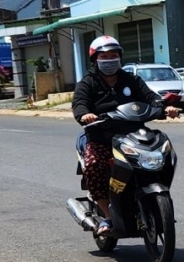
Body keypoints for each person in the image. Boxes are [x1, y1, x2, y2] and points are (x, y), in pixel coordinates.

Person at [72, 35, 178, 235]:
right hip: (101, 137)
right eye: (104, 56)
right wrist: (85, 114)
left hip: (132, 135)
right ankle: (108, 217)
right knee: (94, 165)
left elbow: (150, 98)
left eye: (113, 55)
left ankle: (152, 201)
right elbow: (79, 104)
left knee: (160, 155)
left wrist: (165, 107)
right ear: (95, 60)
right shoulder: (88, 82)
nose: (110, 60)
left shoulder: (131, 80)